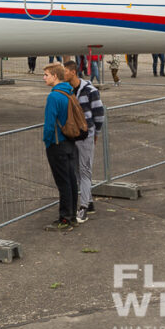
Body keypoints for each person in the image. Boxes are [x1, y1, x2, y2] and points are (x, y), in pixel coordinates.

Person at [63, 61, 105, 223]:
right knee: (76, 170)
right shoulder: (67, 90)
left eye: (65, 71)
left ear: (73, 72)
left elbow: (99, 113)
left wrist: (96, 134)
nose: (63, 74)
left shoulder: (90, 91)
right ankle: (89, 201)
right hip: (73, 135)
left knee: (85, 170)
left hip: (86, 134)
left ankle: (83, 207)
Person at [42, 63, 79, 231]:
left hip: (57, 143)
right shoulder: (69, 92)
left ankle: (65, 218)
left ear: (55, 76)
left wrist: (47, 141)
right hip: (70, 141)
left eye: (46, 75)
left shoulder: (54, 97)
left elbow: (49, 125)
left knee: (63, 182)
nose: (44, 78)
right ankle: (72, 215)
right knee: (71, 180)